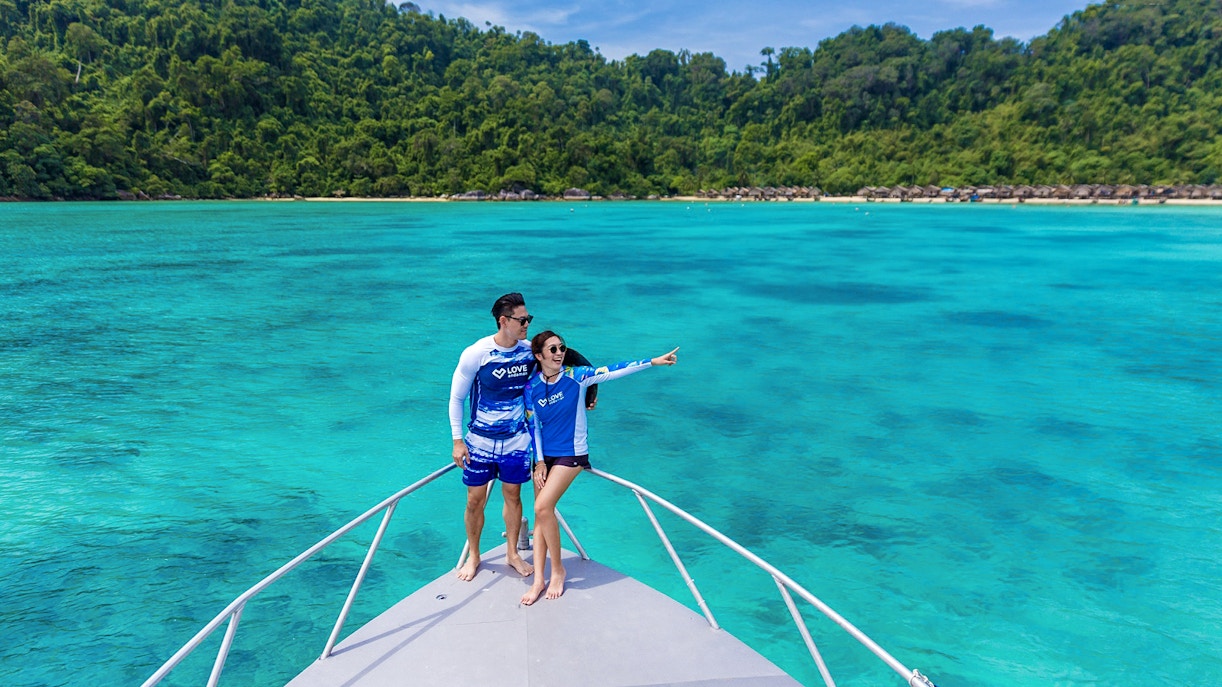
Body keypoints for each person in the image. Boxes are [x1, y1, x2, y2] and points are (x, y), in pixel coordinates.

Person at [519, 330, 678, 605]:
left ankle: (558, 571)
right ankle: (538, 580)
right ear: (539, 355)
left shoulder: (577, 376)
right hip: (546, 458)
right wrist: (540, 462)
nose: (559, 354)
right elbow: (534, 427)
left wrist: (654, 361)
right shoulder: (531, 387)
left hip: (573, 454)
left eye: (562, 348)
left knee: (543, 507)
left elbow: (616, 369)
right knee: (540, 517)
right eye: (553, 350)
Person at [449, 292, 537, 581]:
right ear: (504, 321)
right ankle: (474, 555)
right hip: (480, 441)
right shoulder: (477, 353)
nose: (527, 324)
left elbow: (568, 363)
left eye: (528, 319)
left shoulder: (528, 352)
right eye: (522, 320)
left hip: (516, 441)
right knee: (475, 500)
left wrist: (590, 394)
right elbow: (456, 398)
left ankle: (512, 554)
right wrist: (457, 440)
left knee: (513, 495)